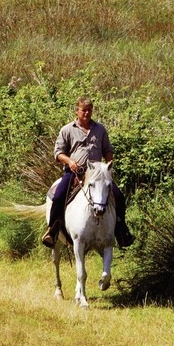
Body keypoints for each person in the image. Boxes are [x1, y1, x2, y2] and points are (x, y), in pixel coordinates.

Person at [41, 97, 133, 249]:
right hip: (75, 173)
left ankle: (122, 230)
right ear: (77, 111)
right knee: (58, 196)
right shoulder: (67, 129)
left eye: (89, 110)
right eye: (83, 110)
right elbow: (58, 153)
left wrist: (108, 165)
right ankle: (53, 230)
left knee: (119, 196)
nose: (87, 113)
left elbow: (107, 150)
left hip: (97, 175)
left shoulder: (100, 129)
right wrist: (70, 161)